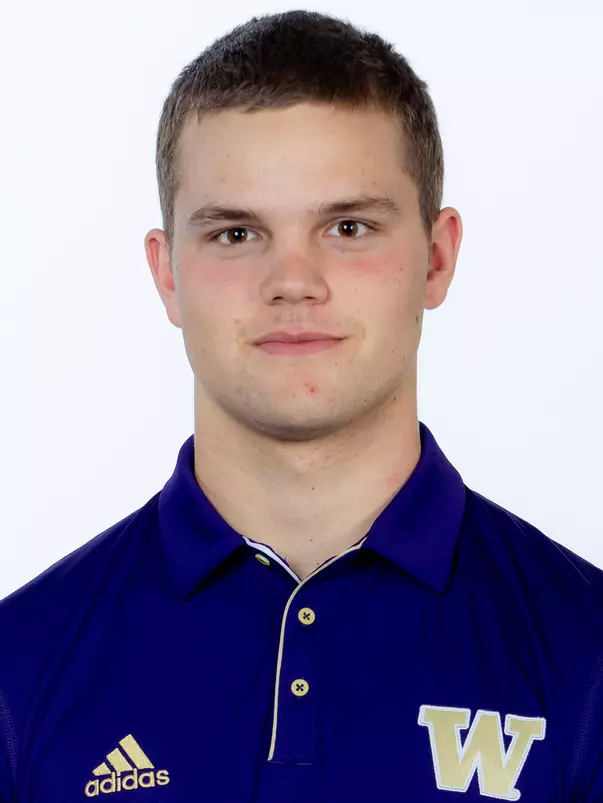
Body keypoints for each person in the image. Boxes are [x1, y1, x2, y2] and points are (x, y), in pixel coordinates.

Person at [1, 9, 602, 802]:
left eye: (347, 226)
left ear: (437, 256)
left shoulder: (585, 656)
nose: (294, 280)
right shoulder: (21, 666)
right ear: (166, 273)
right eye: (235, 234)